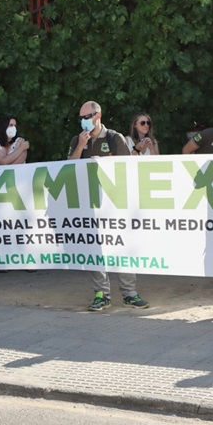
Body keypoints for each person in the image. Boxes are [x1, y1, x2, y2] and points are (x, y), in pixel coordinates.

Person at [68, 101, 149, 311]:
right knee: (95, 248)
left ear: (98, 115)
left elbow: (127, 169)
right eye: (81, 118)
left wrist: (104, 164)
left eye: (87, 116)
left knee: (122, 246)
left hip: (114, 202)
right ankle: (101, 294)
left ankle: (129, 293)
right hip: (89, 202)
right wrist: (80, 146)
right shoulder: (78, 139)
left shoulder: (115, 138)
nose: (83, 121)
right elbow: (68, 167)